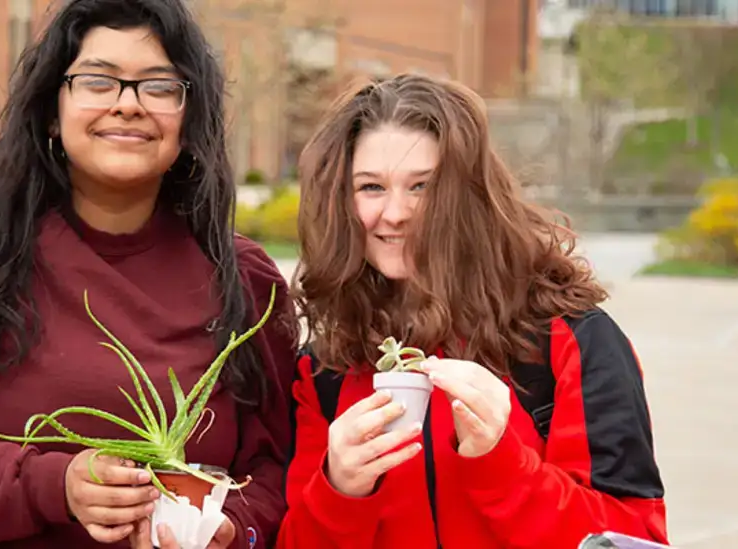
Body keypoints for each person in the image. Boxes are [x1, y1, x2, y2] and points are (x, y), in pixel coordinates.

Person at [0, 1, 297, 548]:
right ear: (52, 108)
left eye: (160, 86)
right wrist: (54, 486)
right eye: (98, 81)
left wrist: (234, 530)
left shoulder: (243, 278)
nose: (127, 105)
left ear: (189, 121)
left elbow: (275, 468)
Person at [275, 74, 669, 549]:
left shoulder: (571, 341)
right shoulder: (324, 368)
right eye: (371, 187)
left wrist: (502, 463)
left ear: (469, 196)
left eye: (422, 186)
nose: (395, 213)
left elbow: (631, 537)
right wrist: (339, 489)